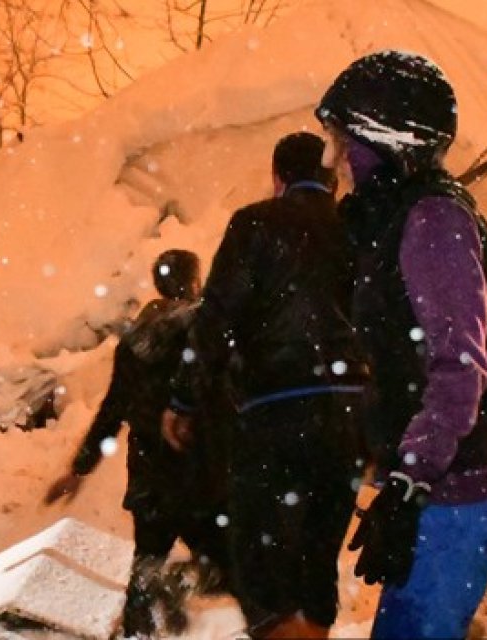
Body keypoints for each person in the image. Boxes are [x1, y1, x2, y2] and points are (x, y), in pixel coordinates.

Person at [316, 50, 487, 638]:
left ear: (390, 142)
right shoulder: (395, 218)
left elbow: (460, 368)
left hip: (459, 490)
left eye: (344, 140)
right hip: (443, 482)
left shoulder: (435, 222)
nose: (336, 159)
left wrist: (410, 483)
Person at [163, 132, 367, 639]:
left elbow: (217, 318)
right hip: (348, 417)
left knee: (262, 561)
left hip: (276, 410)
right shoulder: (354, 229)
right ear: (327, 176)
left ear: (277, 177)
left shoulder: (256, 224)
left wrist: (185, 397)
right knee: (317, 557)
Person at [45, 249, 230, 638]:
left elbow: (113, 411)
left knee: (145, 567)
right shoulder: (204, 332)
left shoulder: (135, 342)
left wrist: (79, 468)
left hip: (149, 478)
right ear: (194, 281)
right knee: (226, 566)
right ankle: (181, 584)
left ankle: (140, 630)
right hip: (198, 474)